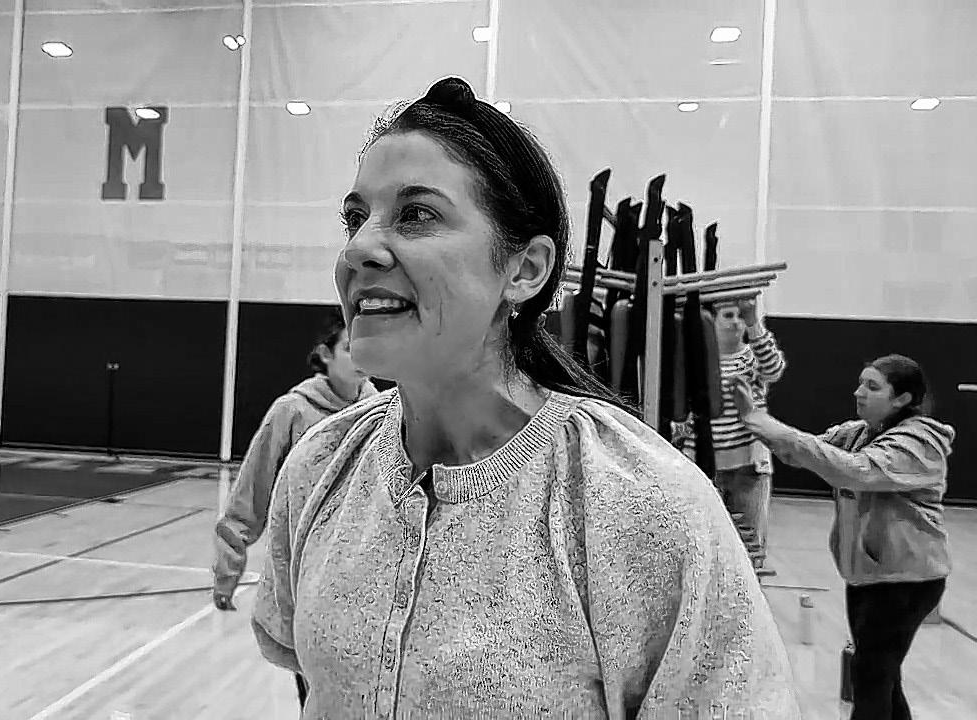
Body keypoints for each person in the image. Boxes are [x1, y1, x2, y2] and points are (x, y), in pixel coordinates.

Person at [251, 76, 799, 719]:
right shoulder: (321, 465)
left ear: (524, 269)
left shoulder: (643, 504)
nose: (359, 248)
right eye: (355, 218)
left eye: (416, 214)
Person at [730, 353, 951, 720]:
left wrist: (763, 421)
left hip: (908, 580)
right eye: (861, 383)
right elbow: (800, 452)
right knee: (881, 675)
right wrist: (753, 417)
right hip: (868, 575)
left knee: (870, 674)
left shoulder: (919, 444)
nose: (859, 392)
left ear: (902, 399)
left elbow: (854, 471)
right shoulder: (858, 433)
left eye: (873, 387)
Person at [211, 312, 376, 703]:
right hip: (307, 575)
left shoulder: (382, 409)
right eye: (350, 348)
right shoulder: (292, 412)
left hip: (363, 575)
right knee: (318, 690)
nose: (360, 357)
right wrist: (226, 573)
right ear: (325, 354)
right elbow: (251, 493)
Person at [680, 298, 786, 574]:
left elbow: (774, 369)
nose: (736, 322)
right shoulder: (697, 361)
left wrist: (754, 322)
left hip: (748, 468)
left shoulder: (751, 359)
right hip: (705, 465)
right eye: (729, 315)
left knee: (749, 549)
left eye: (741, 316)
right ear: (711, 322)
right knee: (705, 546)